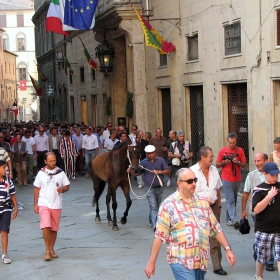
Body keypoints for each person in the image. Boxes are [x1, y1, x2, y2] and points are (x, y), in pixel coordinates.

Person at [144, 168, 236, 280]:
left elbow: (216, 228)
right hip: (180, 259)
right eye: (189, 181)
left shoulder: (202, 203)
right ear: (179, 183)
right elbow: (159, 236)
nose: (193, 184)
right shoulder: (168, 205)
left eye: (195, 180)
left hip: (201, 260)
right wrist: (151, 262)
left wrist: (227, 249)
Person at [190, 146, 226, 276]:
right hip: (198, 209)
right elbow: (188, 192)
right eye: (210, 156)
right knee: (199, 237)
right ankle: (197, 265)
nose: (212, 158)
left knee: (216, 235)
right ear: (203, 157)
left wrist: (219, 205)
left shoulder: (214, 170)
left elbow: (217, 188)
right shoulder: (192, 171)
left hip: (213, 207)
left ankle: (217, 266)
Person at [241, 152, 275, 272]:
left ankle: (268, 260)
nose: (256, 163)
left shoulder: (274, 175)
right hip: (257, 212)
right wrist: (243, 210)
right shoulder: (251, 176)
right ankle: (262, 254)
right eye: (255, 161)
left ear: (266, 161)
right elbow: (245, 193)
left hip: (273, 211)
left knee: (269, 235)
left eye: (259, 161)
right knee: (261, 233)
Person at [33, 152, 70, 261]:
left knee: (54, 228)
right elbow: (36, 189)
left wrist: (62, 190)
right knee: (46, 226)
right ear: (45, 162)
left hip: (56, 204)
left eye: (54, 160)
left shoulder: (60, 173)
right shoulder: (41, 174)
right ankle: (47, 250)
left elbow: (67, 186)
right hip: (44, 203)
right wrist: (35, 204)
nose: (53, 163)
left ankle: (51, 248)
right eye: (50, 161)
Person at [128, 145, 169, 231]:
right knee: (153, 206)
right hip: (149, 188)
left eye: (151, 153)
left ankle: (151, 220)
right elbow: (138, 173)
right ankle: (155, 225)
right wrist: (131, 171)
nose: (150, 155)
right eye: (148, 154)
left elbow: (167, 170)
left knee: (157, 206)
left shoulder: (161, 160)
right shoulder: (143, 162)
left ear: (154, 153)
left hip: (160, 187)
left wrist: (159, 172)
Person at [252, 162, 280, 280]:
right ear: (265, 174)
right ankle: (259, 275)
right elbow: (257, 209)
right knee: (262, 258)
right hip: (264, 230)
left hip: (278, 229)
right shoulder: (259, 190)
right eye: (272, 175)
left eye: (277, 175)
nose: (275, 177)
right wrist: (269, 196)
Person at [216, 132, 246, 229]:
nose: (232, 145)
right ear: (227, 142)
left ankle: (228, 219)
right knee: (230, 199)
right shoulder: (222, 151)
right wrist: (224, 162)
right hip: (226, 178)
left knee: (233, 199)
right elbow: (217, 164)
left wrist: (238, 162)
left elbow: (244, 164)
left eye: (233, 143)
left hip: (237, 179)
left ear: (236, 141)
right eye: (230, 143)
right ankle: (235, 220)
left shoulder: (240, 150)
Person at [0, 159, 18, 264]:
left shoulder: (7, 180)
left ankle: (5, 253)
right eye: (3, 167)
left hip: (6, 208)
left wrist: (15, 207)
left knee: (4, 230)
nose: (5, 169)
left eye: (5, 167)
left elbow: (12, 194)